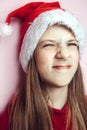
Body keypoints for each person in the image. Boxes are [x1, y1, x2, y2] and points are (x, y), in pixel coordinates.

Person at [1, 1, 87, 130]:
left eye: (71, 44)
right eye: (49, 44)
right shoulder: (12, 118)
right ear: (32, 56)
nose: (63, 54)